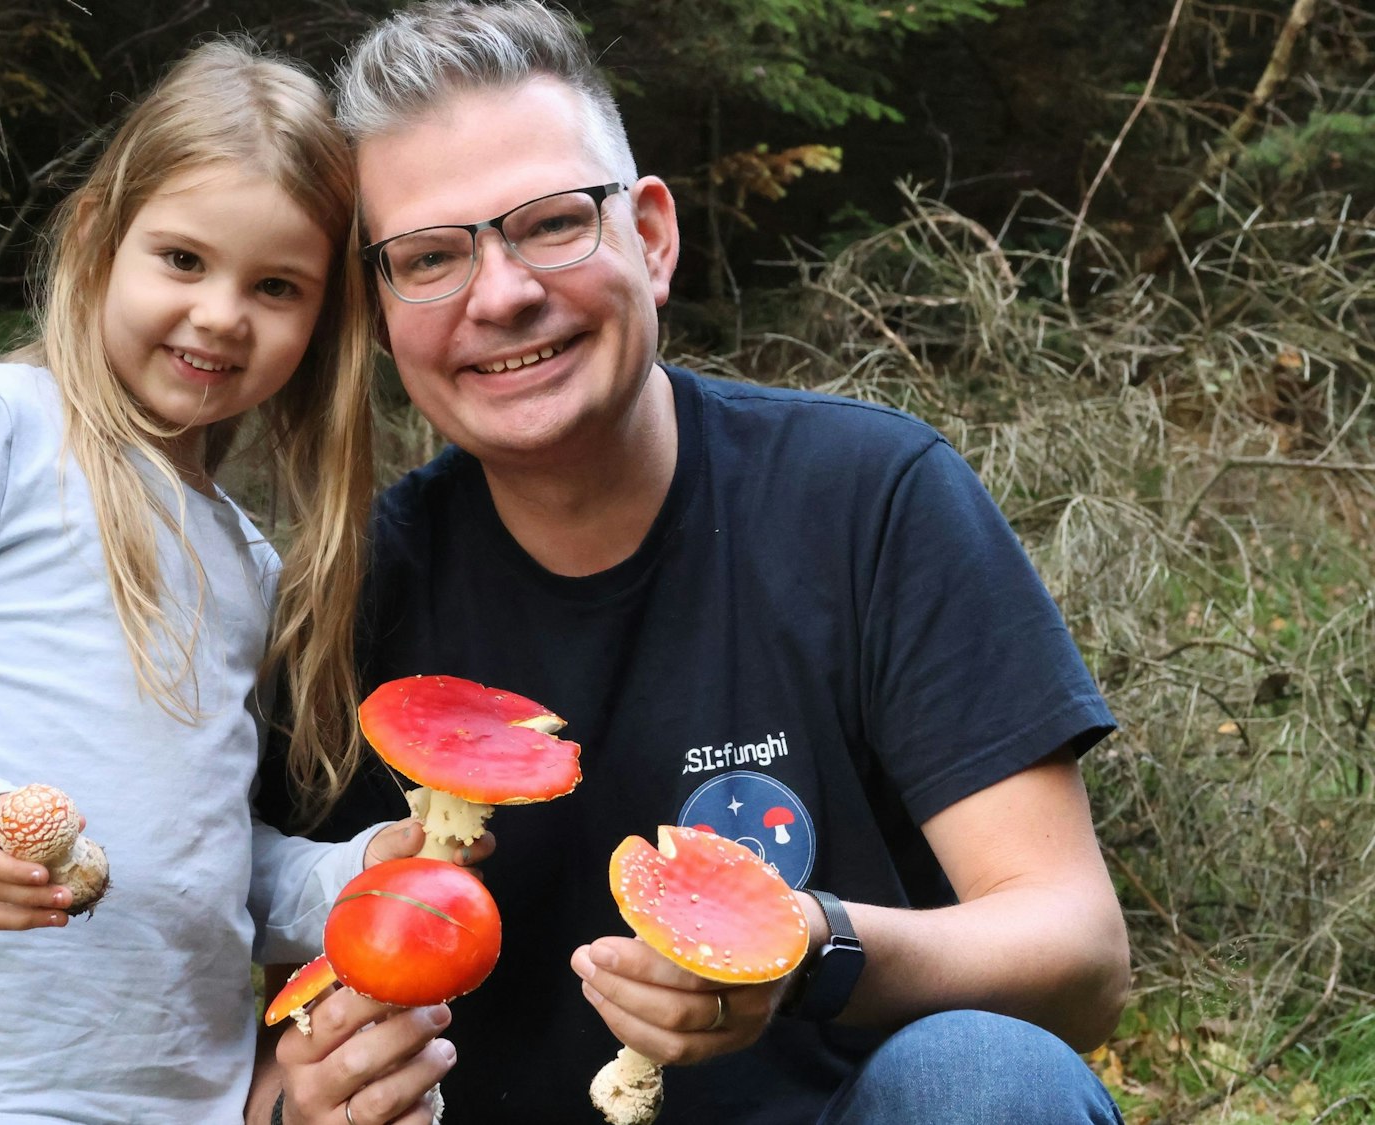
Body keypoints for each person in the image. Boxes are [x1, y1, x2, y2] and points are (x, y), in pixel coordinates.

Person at [261, 3, 1134, 1123]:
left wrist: (807, 946)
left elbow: (1075, 954)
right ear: (380, 315)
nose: (500, 294)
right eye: (428, 258)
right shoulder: (340, 597)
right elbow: (217, 969)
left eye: (549, 224)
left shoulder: (864, 500)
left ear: (653, 238)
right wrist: (294, 1107)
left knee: (984, 1080)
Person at [0, 40, 449, 1123]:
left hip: (183, 1089)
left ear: (321, 320)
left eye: (274, 286)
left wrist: (362, 869)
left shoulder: (250, 561)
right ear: (98, 238)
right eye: (181, 259)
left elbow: (205, 859)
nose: (221, 313)